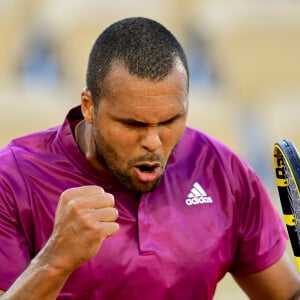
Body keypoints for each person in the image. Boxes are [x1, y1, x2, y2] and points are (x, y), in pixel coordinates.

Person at [0, 17, 299, 300]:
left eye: (171, 120)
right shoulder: (12, 178)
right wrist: (55, 259)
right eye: (133, 124)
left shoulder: (223, 171)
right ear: (89, 107)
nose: (153, 143)